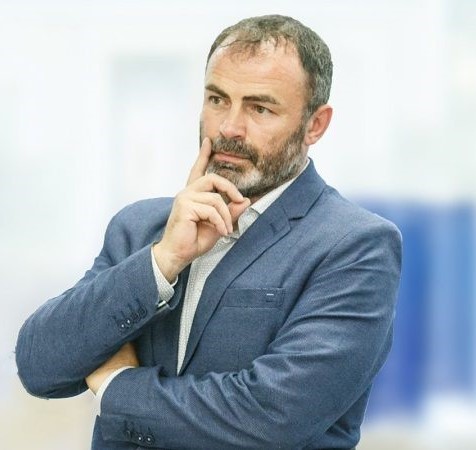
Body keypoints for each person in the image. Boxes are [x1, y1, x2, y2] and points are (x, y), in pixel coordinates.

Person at [16, 14, 402, 450]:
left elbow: (271, 419)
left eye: (260, 108)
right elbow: (39, 365)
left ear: (315, 124)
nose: (229, 128)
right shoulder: (142, 228)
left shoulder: (355, 245)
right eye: (218, 99)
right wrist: (163, 260)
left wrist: (116, 387)